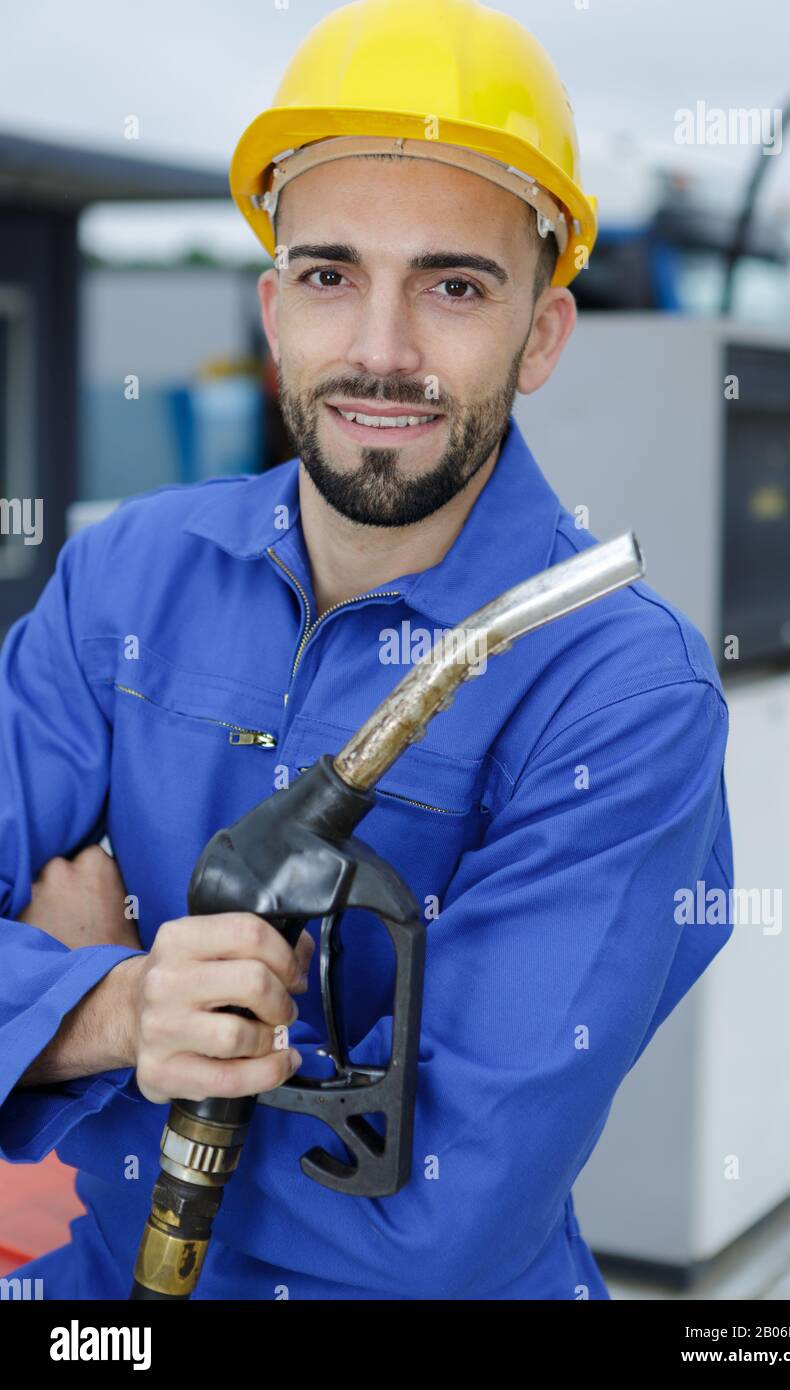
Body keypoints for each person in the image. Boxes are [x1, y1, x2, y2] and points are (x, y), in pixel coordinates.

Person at [0, 0, 733, 1300]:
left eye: (453, 284)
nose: (381, 352)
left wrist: (56, 1021)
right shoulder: (124, 574)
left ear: (542, 334)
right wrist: (119, 1011)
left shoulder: (617, 690)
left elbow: (444, 1216)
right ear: (276, 310)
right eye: (333, 274)